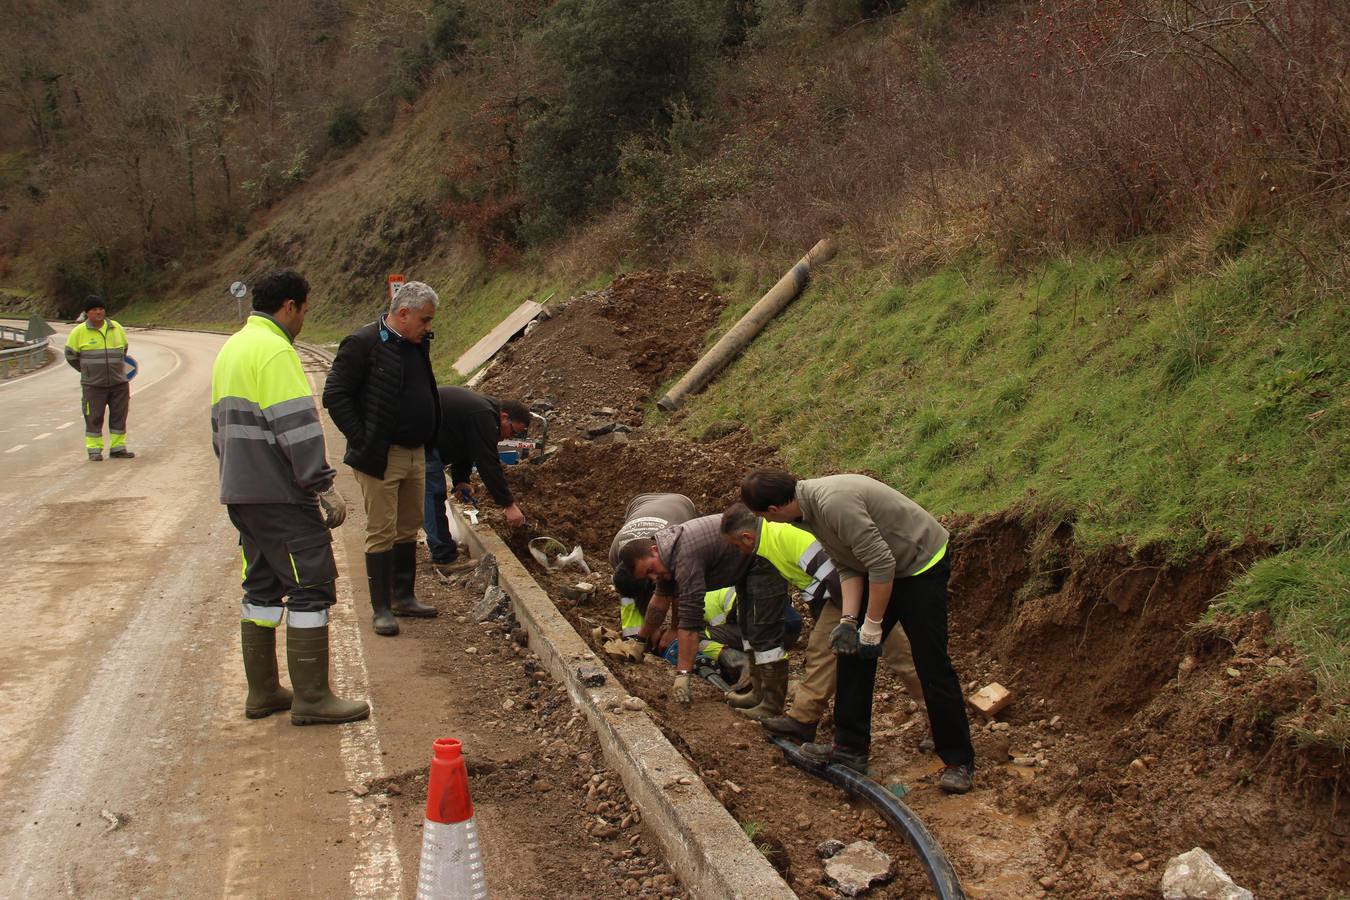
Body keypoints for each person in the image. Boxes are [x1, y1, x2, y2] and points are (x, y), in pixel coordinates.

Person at [740, 469, 975, 794]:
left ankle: (958, 759)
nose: (765, 523)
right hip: (883, 566)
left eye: (761, 517)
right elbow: (848, 564)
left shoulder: (833, 504)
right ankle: (850, 748)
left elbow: (881, 565)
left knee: (930, 662)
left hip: (920, 563)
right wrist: (851, 621)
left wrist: (873, 626)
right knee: (850, 650)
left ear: (773, 511)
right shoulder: (805, 513)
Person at [210, 269, 368, 725]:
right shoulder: (275, 352)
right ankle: (313, 698)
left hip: (242, 492)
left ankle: (263, 691)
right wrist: (321, 484)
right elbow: (296, 427)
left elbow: (219, 429)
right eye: (304, 310)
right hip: (280, 494)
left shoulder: (233, 348)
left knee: (261, 585)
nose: (302, 320)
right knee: (311, 584)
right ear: (290, 307)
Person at [323, 281, 441, 637]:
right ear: (403, 314)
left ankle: (404, 596)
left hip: (415, 451)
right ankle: (382, 609)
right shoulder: (363, 343)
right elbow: (335, 394)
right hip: (382, 456)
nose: (428, 326)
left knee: (408, 526)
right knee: (381, 530)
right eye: (425, 319)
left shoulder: (416, 344)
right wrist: (363, 439)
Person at [619, 513, 788, 715]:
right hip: (745, 567)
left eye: (650, 570)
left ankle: (771, 704)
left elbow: (690, 620)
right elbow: (659, 602)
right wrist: (640, 642)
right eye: (648, 576)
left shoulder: (684, 557)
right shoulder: (665, 555)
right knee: (748, 629)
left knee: (762, 630)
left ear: (654, 550)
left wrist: (683, 675)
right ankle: (757, 694)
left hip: (763, 558)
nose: (654, 578)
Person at [425, 386, 530, 577]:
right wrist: (508, 505)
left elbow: (466, 446)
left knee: (431, 492)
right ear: (504, 417)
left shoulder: (483, 412)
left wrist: (461, 480)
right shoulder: (484, 415)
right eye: (513, 432)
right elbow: (487, 462)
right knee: (433, 494)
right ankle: (444, 559)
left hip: (429, 440)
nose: (509, 437)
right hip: (420, 440)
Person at [64, 295, 134, 461]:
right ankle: (94, 450)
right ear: (87, 313)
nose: (99, 312)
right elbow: (70, 355)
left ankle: (118, 448)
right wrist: (86, 371)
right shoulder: (78, 332)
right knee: (94, 417)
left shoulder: (116, 327)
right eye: (94, 309)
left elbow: (124, 349)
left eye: (101, 308)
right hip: (93, 385)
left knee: (119, 416)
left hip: (119, 383)